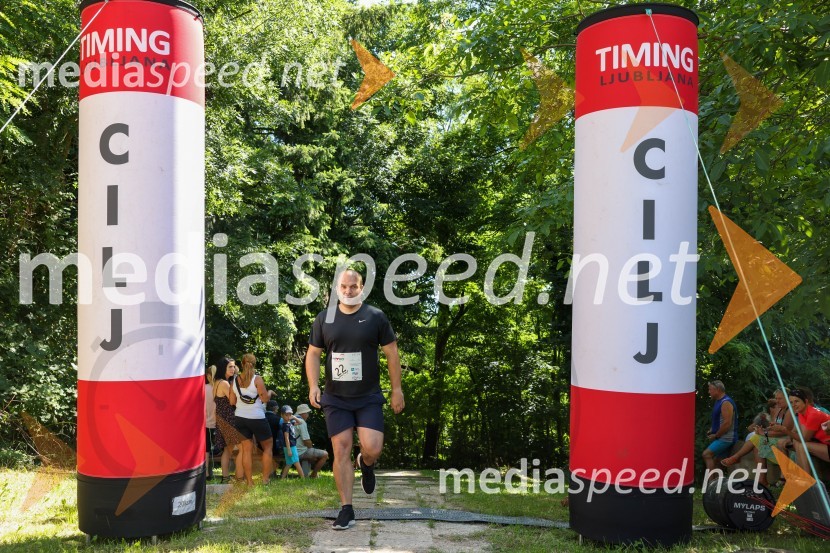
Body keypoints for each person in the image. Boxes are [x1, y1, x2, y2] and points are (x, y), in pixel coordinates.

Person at [306, 268, 405, 530]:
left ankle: (366, 463)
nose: (348, 291)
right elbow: (313, 354)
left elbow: (392, 353)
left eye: (353, 286)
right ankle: (346, 509)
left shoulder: (375, 316)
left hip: (368, 396)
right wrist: (313, 385)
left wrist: (396, 389)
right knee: (341, 448)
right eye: (344, 286)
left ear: (362, 288)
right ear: (337, 288)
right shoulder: (324, 318)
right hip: (336, 397)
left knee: (373, 447)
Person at [721, 389, 795, 485]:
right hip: (777, 440)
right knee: (757, 445)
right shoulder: (779, 410)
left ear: (788, 398)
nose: (777, 401)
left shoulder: (790, 411)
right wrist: (763, 430)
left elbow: (784, 432)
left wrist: (764, 433)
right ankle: (762, 480)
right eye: (776, 398)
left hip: (786, 443)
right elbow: (774, 427)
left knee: (756, 439)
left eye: (780, 398)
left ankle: (737, 457)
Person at [229, 353, 276, 485]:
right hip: (257, 417)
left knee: (246, 450)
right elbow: (265, 399)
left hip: (240, 418)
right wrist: (270, 392)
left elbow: (232, 401)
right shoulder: (257, 379)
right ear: (254, 364)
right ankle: (265, 480)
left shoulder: (234, 381)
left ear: (242, 364)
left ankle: (249, 482)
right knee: (268, 447)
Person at [777, 388, 830, 471]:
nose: (793, 405)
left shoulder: (813, 414)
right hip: (823, 444)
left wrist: (785, 430)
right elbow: (802, 435)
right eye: (791, 402)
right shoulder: (801, 413)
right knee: (795, 443)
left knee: (802, 446)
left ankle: (805, 478)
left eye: (796, 401)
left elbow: (804, 438)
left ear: (805, 401)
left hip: (826, 445)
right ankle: (797, 476)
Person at [213, 356, 242, 484]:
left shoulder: (217, 382)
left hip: (222, 419)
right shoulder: (224, 383)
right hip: (228, 419)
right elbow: (233, 401)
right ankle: (239, 477)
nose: (233, 369)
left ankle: (225, 478)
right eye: (230, 366)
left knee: (227, 450)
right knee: (241, 449)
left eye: (234, 366)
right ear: (223, 368)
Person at [702, 380, 738, 473]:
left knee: (706, 454)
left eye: (710, 389)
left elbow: (727, 423)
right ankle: (717, 481)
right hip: (722, 436)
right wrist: (712, 429)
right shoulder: (719, 401)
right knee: (718, 462)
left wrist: (716, 435)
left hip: (726, 438)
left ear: (718, 390)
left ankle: (710, 481)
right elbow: (719, 420)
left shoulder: (726, 402)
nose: (709, 392)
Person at [294, 403, 329, 478]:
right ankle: (314, 474)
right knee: (325, 454)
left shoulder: (291, 420)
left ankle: (305, 473)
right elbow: (306, 441)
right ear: (303, 413)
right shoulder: (301, 422)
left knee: (312, 455)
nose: (308, 415)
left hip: (289, 449)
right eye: (307, 413)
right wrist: (311, 448)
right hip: (299, 451)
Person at [278, 405, 305, 479]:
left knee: (289, 463)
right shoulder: (285, 426)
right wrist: (289, 449)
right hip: (290, 447)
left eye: (290, 415)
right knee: (297, 462)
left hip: (290, 446)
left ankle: (282, 478)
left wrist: (294, 417)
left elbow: (300, 422)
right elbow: (286, 438)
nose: (288, 417)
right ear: (282, 415)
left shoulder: (290, 423)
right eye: (286, 415)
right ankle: (303, 478)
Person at [205, 364, 217, 480]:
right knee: (225, 449)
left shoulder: (203, 388)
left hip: (205, 424)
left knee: (206, 449)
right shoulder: (222, 386)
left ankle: (207, 474)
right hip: (219, 423)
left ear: (208, 375)